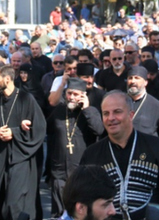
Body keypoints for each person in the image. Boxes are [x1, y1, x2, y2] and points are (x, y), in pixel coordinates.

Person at [79, 91, 159, 220]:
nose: (111, 118)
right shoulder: (92, 154)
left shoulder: (156, 147)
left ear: (131, 115)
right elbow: (82, 198)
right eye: (106, 113)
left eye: (117, 112)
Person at [0, 65, 47, 220]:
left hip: (20, 158)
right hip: (0, 156)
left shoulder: (26, 98)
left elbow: (39, 127)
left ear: (8, 78)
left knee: (14, 202)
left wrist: (14, 132)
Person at [46, 78, 104, 217]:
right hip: (59, 171)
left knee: (80, 213)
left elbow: (99, 130)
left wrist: (87, 109)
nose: (72, 97)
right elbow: (45, 128)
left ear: (83, 95)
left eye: (76, 94)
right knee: (59, 214)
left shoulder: (91, 111)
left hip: (81, 172)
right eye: (69, 93)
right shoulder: (59, 110)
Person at [126, 66, 159, 156]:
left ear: (145, 82)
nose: (133, 81)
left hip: (148, 156)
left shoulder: (157, 106)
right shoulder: (119, 102)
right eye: (130, 78)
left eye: (137, 78)